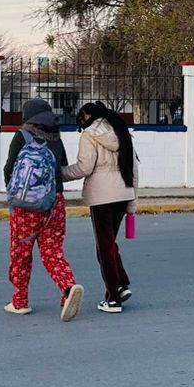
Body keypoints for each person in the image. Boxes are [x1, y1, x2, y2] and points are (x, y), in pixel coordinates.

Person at [2, 98, 85, 321]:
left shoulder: (22, 135)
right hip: (55, 203)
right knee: (52, 251)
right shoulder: (56, 137)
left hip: (25, 208)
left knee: (21, 254)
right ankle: (68, 288)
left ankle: (20, 302)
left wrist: (17, 195)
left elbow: (9, 169)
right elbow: (62, 170)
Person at [63, 101, 137, 313]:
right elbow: (134, 171)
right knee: (110, 243)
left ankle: (112, 298)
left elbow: (84, 167)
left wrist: (60, 174)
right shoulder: (123, 132)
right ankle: (121, 284)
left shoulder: (89, 134)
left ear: (87, 115)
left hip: (102, 197)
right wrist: (132, 202)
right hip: (123, 194)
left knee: (103, 248)